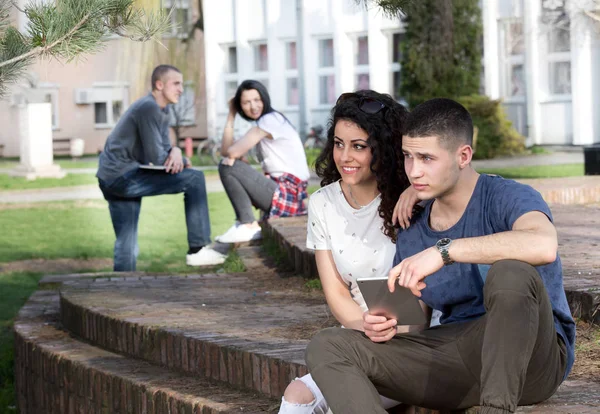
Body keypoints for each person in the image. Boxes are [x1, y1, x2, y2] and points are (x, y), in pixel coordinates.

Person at [305, 98, 576, 414]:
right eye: (408, 156)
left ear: (463, 156)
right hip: (457, 357)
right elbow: (411, 319)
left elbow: (543, 246)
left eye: (426, 158)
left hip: (533, 360)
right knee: (328, 346)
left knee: (511, 272)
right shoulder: (414, 223)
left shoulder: (507, 197)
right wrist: (387, 325)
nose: (414, 171)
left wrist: (445, 252)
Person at [279, 91, 430, 414]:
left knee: (342, 404)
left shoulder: (411, 201)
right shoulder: (322, 203)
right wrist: (364, 324)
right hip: (359, 338)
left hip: (413, 342)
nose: (345, 156)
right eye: (338, 143)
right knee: (296, 396)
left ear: (383, 149)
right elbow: (335, 291)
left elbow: (427, 294)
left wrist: (415, 194)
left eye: (359, 146)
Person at [97, 64, 226, 271]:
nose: (181, 89)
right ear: (159, 85)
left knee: (126, 244)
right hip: (122, 177)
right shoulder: (148, 108)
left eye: (182, 84)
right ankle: (198, 250)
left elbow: (165, 150)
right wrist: (177, 155)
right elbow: (157, 158)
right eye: (176, 84)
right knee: (194, 179)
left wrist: (176, 152)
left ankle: (122, 287)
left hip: (111, 177)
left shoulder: (159, 111)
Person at [216, 80, 311, 243]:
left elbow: (231, 152)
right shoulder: (266, 122)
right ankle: (245, 224)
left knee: (228, 167)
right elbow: (226, 150)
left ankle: (247, 225)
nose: (253, 106)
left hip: (287, 194)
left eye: (257, 100)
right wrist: (231, 114)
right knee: (230, 163)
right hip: (288, 194)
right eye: (246, 102)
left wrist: (235, 156)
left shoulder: (270, 120)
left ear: (265, 99)